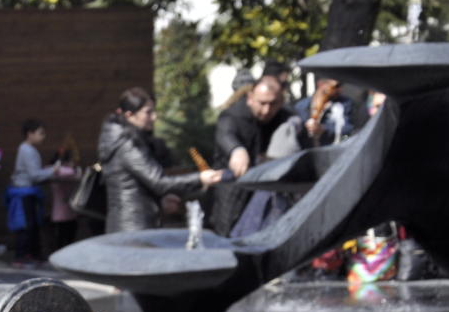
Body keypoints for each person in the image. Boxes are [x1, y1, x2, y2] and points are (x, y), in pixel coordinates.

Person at [99, 87, 221, 234]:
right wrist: (200, 178)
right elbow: (158, 181)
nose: (154, 117)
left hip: (131, 223)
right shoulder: (127, 144)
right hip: (133, 227)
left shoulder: (124, 140)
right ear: (129, 115)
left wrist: (160, 199)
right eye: (148, 112)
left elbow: (137, 184)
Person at [212, 76, 292, 236]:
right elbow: (225, 134)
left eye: (273, 104)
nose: (266, 110)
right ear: (250, 98)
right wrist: (236, 150)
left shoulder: (284, 117)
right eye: (262, 103)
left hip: (264, 189)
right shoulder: (233, 115)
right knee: (227, 233)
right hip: (234, 187)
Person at [8, 119, 57, 265]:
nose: (43, 137)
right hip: (24, 192)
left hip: (29, 192)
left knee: (33, 225)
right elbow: (34, 174)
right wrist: (53, 170)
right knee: (25, 225)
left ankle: (33, 254)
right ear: (30, 134)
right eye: (40, 133)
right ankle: (22, 255)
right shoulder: (26, 150)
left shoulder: (29, 149)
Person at [294, 77, 355, 145]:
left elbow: (348, 128)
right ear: (321, 85)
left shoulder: (345, 103)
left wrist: (323, 129)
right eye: (336, 86)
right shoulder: (302, 106)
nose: (340, 90)